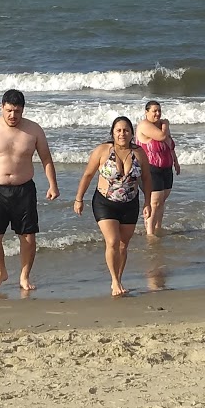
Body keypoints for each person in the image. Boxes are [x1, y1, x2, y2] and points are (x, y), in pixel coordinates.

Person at [0, 88, 59, 291]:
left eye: (17, 111)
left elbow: (46, 159)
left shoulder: (34, 130)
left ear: (23, 110)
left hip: (24, 190)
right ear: (2, 108)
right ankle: (1, 271)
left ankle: (24, 276)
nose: (12, 115)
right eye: (8, 110)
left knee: (28, 237)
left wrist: (53, 185)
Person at [73, 115, 154, 296]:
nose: (122, 133)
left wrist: (148, 203)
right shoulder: (102, 151)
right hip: (104, 202)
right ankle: (115, 281)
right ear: (112, 133)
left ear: (132, 133)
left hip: (130, 203)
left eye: (126, 130)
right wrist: (79, 199)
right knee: (112, 241)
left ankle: (119, 277)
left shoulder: (139, 153)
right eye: (118, 130)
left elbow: (147, 179)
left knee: (123, 245)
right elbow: (88, 175)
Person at [138, 99, 181, 236]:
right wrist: (166, 125)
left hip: (166, 168)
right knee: (155, 202)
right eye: (154, 111)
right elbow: (162, 136)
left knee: (162, 200)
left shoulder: (162, 126)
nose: (157, 113)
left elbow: (170, 145)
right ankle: (150, 233)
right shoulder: (145, 125)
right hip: (150, 168)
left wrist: (175, 161)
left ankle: (158, 228)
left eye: (159, 111)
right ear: (146, 112)